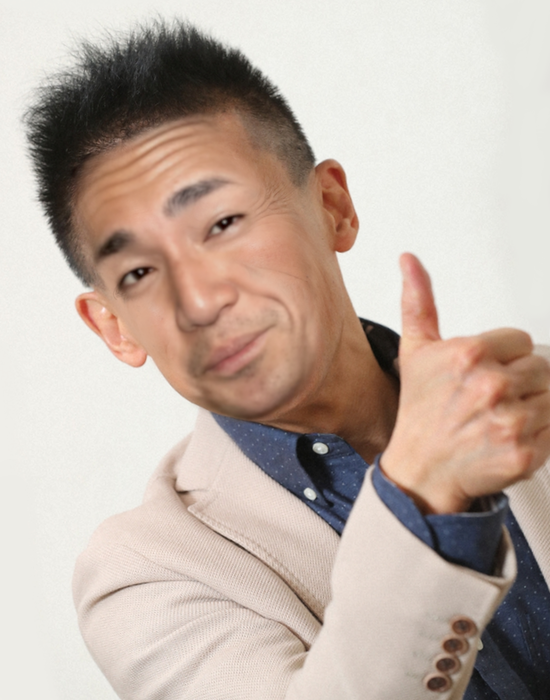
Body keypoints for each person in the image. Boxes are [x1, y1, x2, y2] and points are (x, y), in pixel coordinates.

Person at [25, 19, 550, 700]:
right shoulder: (143, 575)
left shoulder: (527, 394)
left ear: (333, 206)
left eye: (223, 223)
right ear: (115, 328)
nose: (200, 301)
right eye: (139, 273)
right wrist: (420, 497)